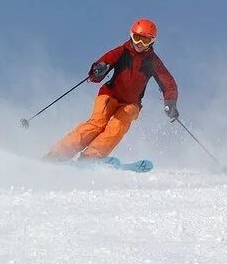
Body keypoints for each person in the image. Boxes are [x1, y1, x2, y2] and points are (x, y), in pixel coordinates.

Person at [47, 18, 179, 161]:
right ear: (131, 35)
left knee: (117, 128)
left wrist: (170, 103)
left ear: (152, 42)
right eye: (137, 38)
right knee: (96, 124)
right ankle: (58, 153)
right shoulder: (122, 51)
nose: (139, 44)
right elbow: (102, 65)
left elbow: (168, 82)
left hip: (131, 103)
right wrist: (99, 69)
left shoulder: (153, 61)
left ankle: (91, 156)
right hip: (110, 95)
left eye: (145, 41)